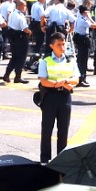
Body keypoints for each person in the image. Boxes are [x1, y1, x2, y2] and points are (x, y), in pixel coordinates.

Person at [37, 33, 79, 163]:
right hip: (50, 96)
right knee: (47, 129)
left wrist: (65, 81)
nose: (62, 47)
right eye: (59, 44)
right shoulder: (45, 61)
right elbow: (43, 81)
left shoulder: (70, 60)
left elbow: (76, 79)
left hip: (65, 97)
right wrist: (57, 84)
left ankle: (62, 159)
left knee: (63, 130)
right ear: (52, 46)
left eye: (63, 44)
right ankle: (45, 159)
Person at [2, 0, 32, 84]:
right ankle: (17, 76)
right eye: (24, 6)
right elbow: (25, 29)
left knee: (14, 57)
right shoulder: (19, 16)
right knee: (21, 58)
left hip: (13, 38)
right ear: (20, 6)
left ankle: (7, 74)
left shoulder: (12, 14)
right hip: (20, 38)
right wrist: (30, 32)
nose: (25, 7)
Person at [71, 4, 96, 87]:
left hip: (79, 38)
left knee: (81, 59)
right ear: (84, 12)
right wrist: (90, 18)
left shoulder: (79, 17)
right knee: (83, 60)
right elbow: (95, 25)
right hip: (83, 39)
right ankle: (81, 78)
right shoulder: (83, 20)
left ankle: (81, 78)